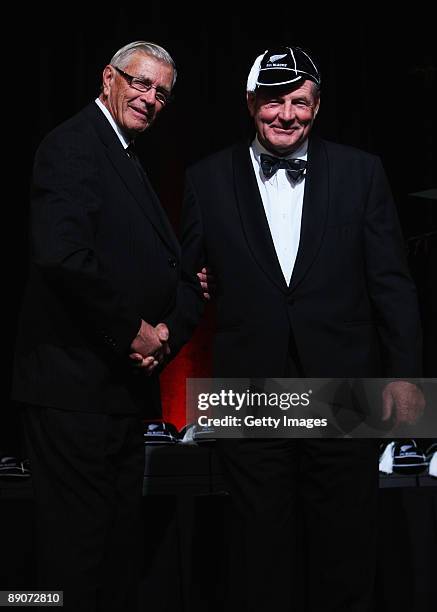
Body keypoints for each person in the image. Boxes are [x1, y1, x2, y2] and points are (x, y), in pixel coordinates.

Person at [168, 46, 424, 611]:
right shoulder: (206, 180)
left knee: (346, 554)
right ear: (249, 102)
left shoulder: (362, 172)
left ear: (316, 104)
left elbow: (392, 286)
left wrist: (406, 391)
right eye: (273, 101)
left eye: (299, 102)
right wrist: (154, 341)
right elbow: (187, 280)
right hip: (250, 395)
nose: (286, 114)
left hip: (347, 394)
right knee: (259, 557)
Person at [12, 41, 182, 611]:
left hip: (113, 394)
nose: (150, 98)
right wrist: (134, 331)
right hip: (73, 392)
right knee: (72, 559)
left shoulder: (124, 153)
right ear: (108, 77)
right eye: (140, 83)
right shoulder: (73, 143)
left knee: (111, 554)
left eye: (161, 92)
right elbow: (61, 255)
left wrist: (169, 318)